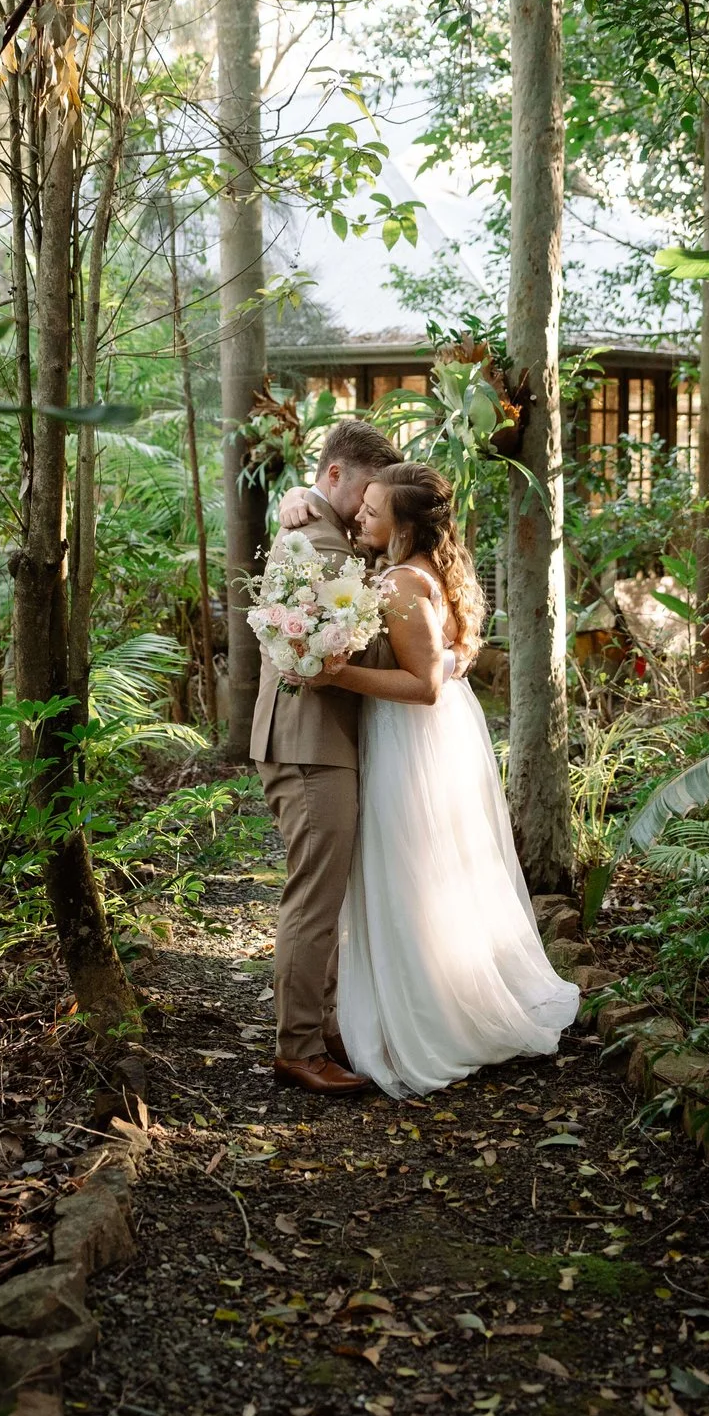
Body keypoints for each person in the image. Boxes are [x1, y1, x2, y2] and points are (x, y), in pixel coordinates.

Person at [316, 461, 580, 1097]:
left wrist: (337, 676)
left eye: (373, 511)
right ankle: (450, 999)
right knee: (439, 871)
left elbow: (425, 685)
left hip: (412, 739)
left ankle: (428, 1022)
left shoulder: (404, 583)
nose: (360, 517)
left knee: (407, 874)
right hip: (443, 739)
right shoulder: (434, 570)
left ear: (404, 526)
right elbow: (462, 650)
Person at [252, 417, 403, 1095]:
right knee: (314, 898)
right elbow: (352, 650)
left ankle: (323, 1026)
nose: (373, 510)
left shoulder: (319, 530)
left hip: (315, 741)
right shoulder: (319, 542)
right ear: (334, 475)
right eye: (367, 493)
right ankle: (298, 1045)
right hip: (309, 743)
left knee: (326, 893)